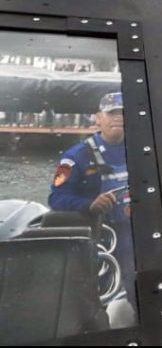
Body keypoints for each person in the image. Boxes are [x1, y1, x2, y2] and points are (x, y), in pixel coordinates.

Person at [49, 91, 135, 303]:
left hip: (137, 234)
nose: (118, 117)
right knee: (101, 294)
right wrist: (89, 205)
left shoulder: (141, 149)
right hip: (104, 238)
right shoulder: (74, 157)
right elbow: (56, 198)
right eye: (111, 113)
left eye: (123, 113)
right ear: (98, 118)